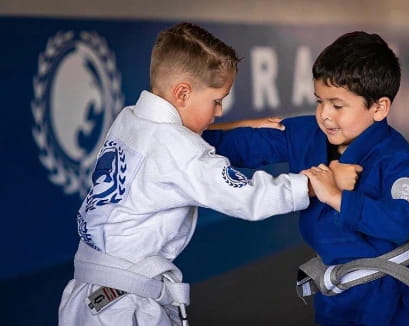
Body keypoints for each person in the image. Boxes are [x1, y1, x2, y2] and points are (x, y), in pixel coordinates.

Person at [58, 22, 311, 326]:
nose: (218, 112)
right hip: (124, 307)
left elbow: (170, 139)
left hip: (84, 296)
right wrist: (308, 185)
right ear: (182, 93)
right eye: (217, 101)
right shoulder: (178, 150)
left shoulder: (129, 119)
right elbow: (245, 197)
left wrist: (237, 127)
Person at [203, 31, 409, 325]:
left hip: (386, 293)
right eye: (319, 101)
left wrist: (337, 197)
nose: (324, 115)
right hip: (335, 291)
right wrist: (181, 135)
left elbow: (399, 222)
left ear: (379, 107)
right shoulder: (305, 134)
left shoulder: (398, 159)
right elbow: (240, 146)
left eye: (337, 106)